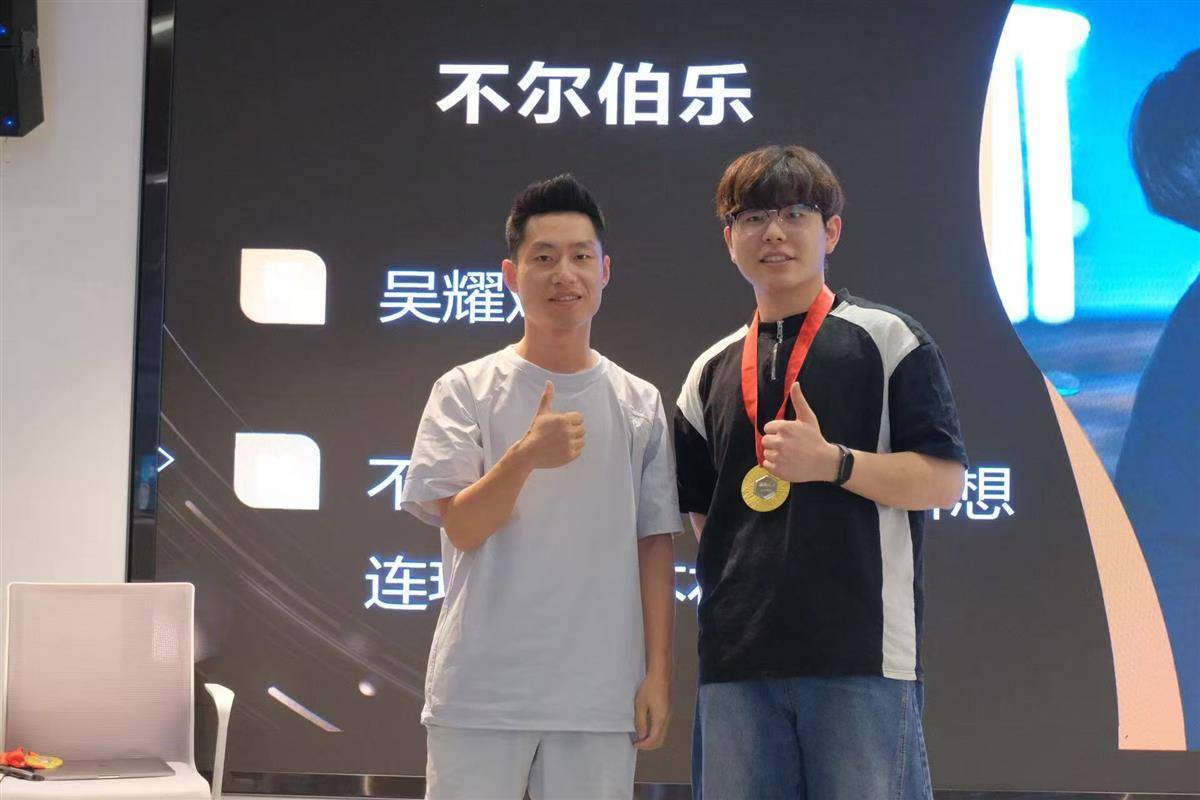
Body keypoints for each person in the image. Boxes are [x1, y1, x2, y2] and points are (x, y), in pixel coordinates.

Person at [674, 144, 968, 798]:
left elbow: (944, 480)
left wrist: (833, 463)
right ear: (729, 239)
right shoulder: (709, 370)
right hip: (736, 662)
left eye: (794, 214)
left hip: (859, 657)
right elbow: (705, 513)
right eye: (752, 217)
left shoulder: (888, 339)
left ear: (830, 230)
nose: (773, 233)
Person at [400, 174, 679, 799]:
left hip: (599, 693)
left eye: (581, 257)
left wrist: (658, 675)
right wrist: (524, 456)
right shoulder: (466, 389)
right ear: (511, 274)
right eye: (544, 258)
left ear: (605, 271)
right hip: (481, 691)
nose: (565, 275)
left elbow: (655, 544)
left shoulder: (639, 402)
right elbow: (462, 527)